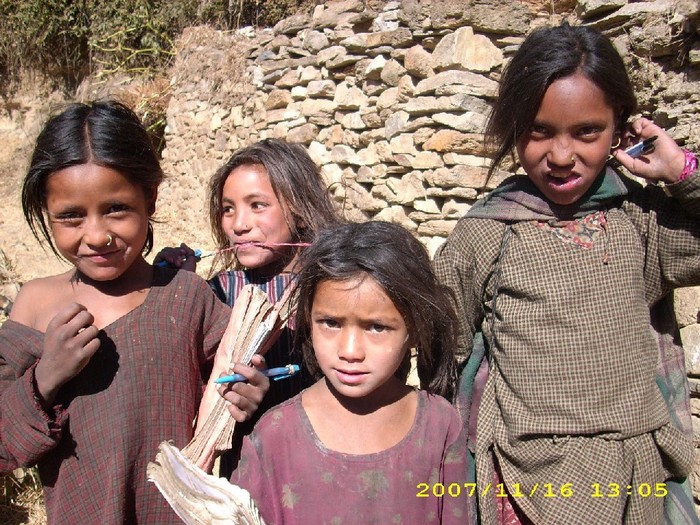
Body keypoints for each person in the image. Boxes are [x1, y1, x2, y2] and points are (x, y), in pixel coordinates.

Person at [433, 23, 700, 525]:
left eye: (587, 132)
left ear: (621, 129)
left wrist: (682, 171)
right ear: (515, 127)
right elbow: (443, 345)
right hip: (528, 480)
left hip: (635, 473)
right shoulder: (489, 232)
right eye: (539, 131)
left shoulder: (638, 221)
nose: (560, 156)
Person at [0, 100, 267, 524]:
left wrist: (248, 391)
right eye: (71, 216)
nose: (96, 235)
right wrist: (46, 376)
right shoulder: (36, 304)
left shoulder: (186, 298)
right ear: (47, 215)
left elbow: (233, 380)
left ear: (150, 199)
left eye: (115, 209)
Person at [230, 220, 470, 524]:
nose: (350, 351)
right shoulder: (274, 436)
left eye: (376, 327)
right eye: (330, 323)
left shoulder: (439, 426)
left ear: (413, 328)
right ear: (308, 319)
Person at [155, 138, 343, 473]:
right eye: (228, 209)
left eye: (257, 205)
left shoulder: (333, 288)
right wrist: (175, 287)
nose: (239, 224)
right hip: (248, 470)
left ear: (300, 211)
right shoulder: (221, 292)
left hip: (326, 459)